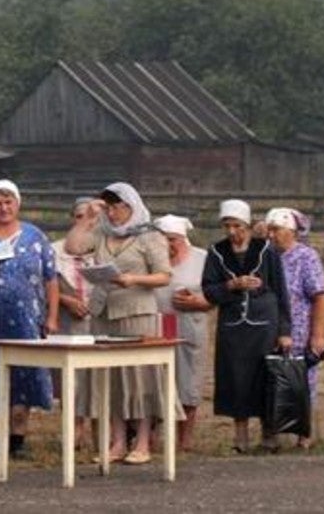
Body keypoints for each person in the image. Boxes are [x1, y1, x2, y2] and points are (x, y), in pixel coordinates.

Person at [65, 182, 171, 465]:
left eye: (117, 207)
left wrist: (133, 279)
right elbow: (73, 247)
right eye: (108, 208)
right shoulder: (101, 232)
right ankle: (118, 441)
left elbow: (164, 276)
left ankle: (144, 441)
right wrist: (88, 218)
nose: (112, 214)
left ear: (131, 206)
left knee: (140, 378)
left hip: (136, 312)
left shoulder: (150, 236)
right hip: (104, 313)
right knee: (110, 378)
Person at [0, 180, 59, 459]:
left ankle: (18, 437)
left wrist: (52, 316)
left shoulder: (35, 236)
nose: (3, 208)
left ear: (17, 204)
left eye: (8, 202)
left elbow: (50, 277)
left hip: (26, 317)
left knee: (25, 373)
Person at [202, 199, 292, 454]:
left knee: (266, 377)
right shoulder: (217, 251)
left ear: (248, 225)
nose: (232, 232)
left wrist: (285, 331)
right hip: (233, 327)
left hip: (264, 324)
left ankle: (269, 433)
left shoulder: (266, 249)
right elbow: (209, 291)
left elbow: (281, 291)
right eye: (227, 226)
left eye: (237, 226)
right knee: (236, 378)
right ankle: (240, 435)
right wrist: (231, 286)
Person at [265, 207, 324, 449]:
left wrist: (318, 335)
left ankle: (305, 435)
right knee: (271, 381)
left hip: (300, 330)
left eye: (277, 230)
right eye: (269, 230)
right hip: (270, 330)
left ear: (291, 231)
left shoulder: (306, 257)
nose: (271, 235)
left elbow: (320, 295)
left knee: (302, 382)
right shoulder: (266, 255)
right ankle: (271, 434)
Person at [152, 214, 211, 452]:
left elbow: (216, 295)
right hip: (157, 325)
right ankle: (154, 438)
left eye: (172, 240)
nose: (168, 245)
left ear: (182, 239)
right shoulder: (154, 260)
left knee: (189, 383)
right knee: (155, 381)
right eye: (162, 240)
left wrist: (198, 301)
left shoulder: (203, 259)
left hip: (190, 325)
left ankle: (184, 440)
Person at [52, 197, 98, 446]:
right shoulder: (56, 250)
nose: (86, 223)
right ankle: (73, 431)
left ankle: (98, 433)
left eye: (91, 218)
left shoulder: (102, 248)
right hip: (68, 320)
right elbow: (44, 285)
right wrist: (67, 300)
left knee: (96, 377)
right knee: (70, 378)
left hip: (97, 319)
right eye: (80, 217)